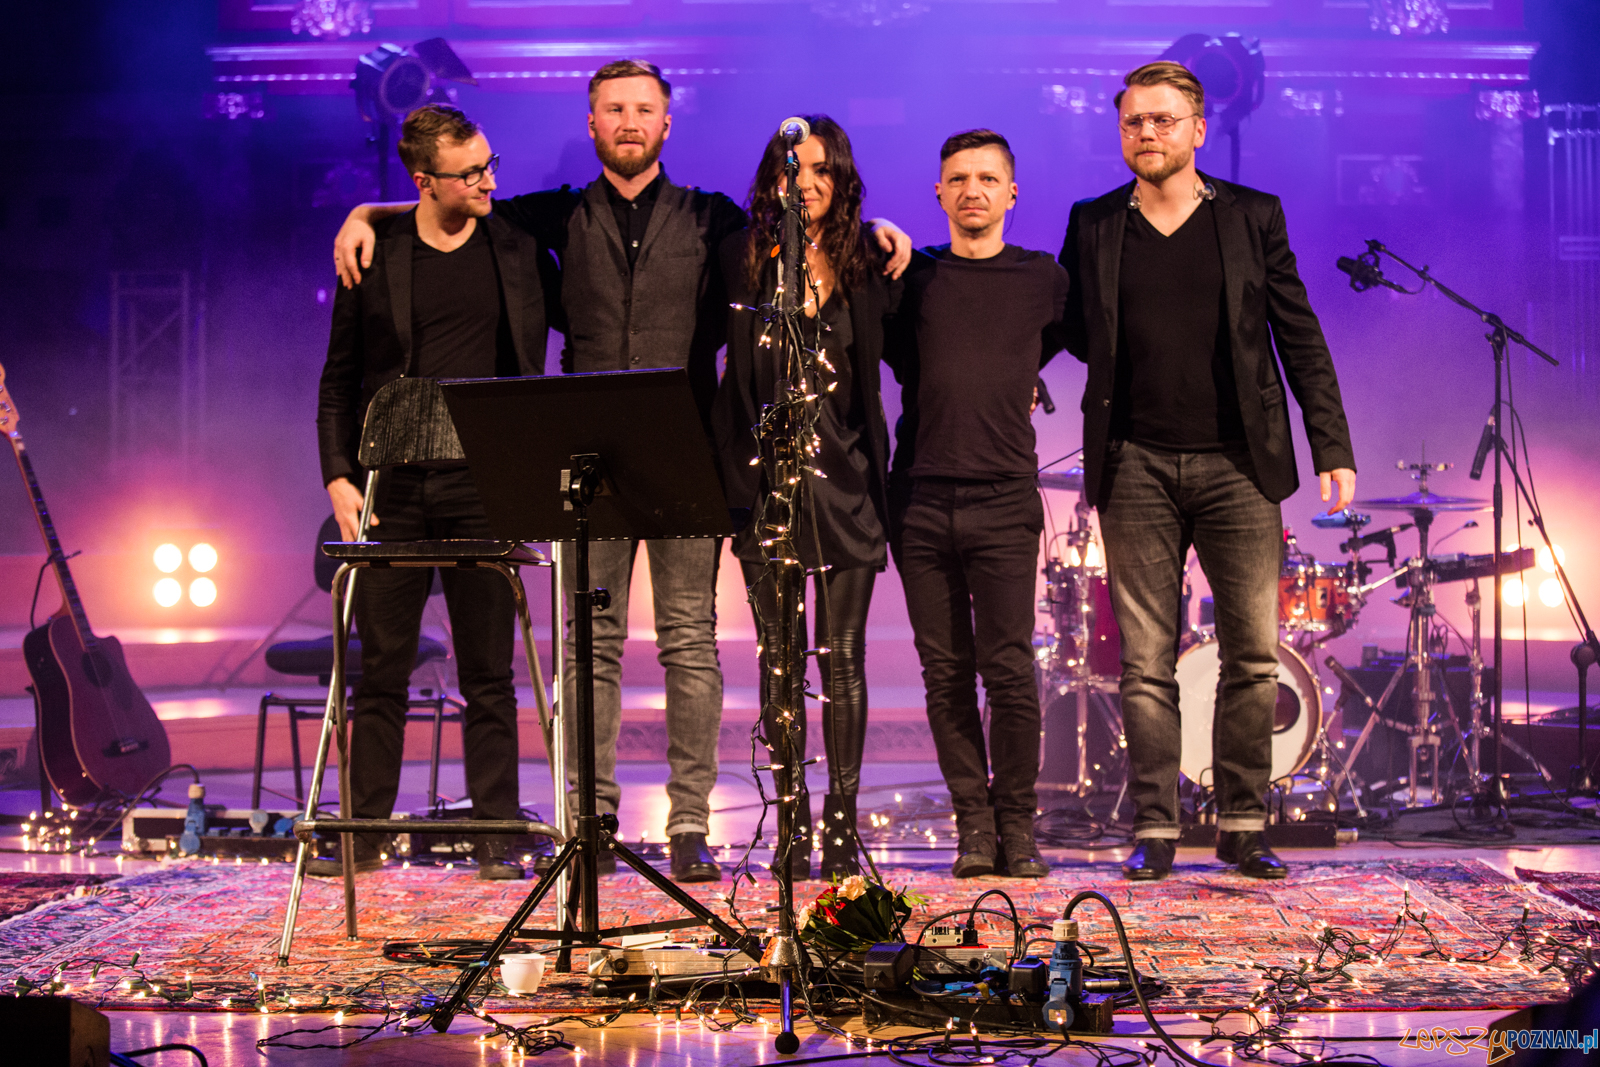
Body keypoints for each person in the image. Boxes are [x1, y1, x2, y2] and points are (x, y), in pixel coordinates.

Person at [333, 61, 910, 884]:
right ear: (594, 121)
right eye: (614, 109)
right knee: (591, 642)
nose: (630, 121)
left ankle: (688, 826)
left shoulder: (712, 220)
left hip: (684, 447)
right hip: (588, 456)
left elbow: (805, 221)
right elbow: (453, 197)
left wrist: (880, 223)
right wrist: (365, 210)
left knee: (689, 640)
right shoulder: (557, 215)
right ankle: (593, 819)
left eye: (645, 109)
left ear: (667, 125)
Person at [1058, 61, 1357, 882]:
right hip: (1135, 465)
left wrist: (1330, 442)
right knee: (1146, 662)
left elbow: (1299, 333)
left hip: (1239, 464)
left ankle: (1242, 824)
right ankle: (1155, 828)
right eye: (1132, 123)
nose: (1145, 134)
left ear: (1196, 127)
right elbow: (1066, 325)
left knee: (1252, 655)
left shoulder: (1252, 217)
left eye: (1160, 120)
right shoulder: (1093, 223)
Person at [316, 104, 546, 881]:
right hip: (394, 490)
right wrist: (338, 474)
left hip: (484, 485)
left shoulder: (514, 246)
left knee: (490, 671)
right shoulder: (378, 253)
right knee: (380, 667)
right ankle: (364, 833)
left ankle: (495, 835)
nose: (488, 180)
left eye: (490, 163)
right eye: (470, 172)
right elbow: (338, 379)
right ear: (425, 181)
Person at [712, 116, 898, 882]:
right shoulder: (742, 258)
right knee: (781, 668)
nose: (808, 182)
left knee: (843, 658)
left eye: (823, 169)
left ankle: (841, 826)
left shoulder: (869, 261)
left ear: (841, 177)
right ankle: (790, 823)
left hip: (847, 482)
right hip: (769, 488)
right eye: (796, 170)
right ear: (774, 178)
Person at [885, 130, 1070, 880]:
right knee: (945, 673)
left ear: (1011, 193)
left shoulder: (1043, 278)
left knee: (1010, 668)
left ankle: (1017, 827)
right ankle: (972, 826)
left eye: (988, 178)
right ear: (939, 193)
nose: (973, 190)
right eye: (958, 178)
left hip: (1003, 498)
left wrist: (1026, 376)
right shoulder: (914, 275)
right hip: (922, 499)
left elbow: (1060, 339)